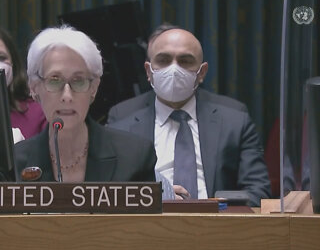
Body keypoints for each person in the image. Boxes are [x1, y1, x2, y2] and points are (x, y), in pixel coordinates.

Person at [108, 26, 271, 206]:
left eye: (185, 61)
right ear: (149, 71)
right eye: (164, 60)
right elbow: (107, 193)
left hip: (217, 225)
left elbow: (258, 191)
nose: (174, 69)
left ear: (201, 73)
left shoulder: (235, 120)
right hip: (147, 225)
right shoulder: (122, 120)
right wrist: (152, 199)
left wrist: (219, 215)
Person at [14, 25, 156, 183]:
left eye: (78, 81)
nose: (67, 96)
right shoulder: (13, 164)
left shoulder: (134, 156)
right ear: (34, 88)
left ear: (94, 88)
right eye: (54, 80)